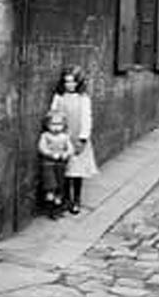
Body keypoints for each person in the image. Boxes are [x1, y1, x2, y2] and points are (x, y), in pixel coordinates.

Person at [49, 65, 98, 213]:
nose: (70, 85)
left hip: (76, 137)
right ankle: (66, 199)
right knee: (64, 171)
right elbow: (53, 113)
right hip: (62, 137)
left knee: (77, 171)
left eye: (73, 82)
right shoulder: (59, 97)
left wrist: (83, 138)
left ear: (79, 82)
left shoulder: (83, 98)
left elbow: (86, 118)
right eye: (67, 82)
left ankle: (76, 200)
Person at [37, 110, 74, 218]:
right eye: (53, 124)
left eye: (59, 124)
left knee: (60, 185)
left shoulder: (65, 136)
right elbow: (42, 148)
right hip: (49, 165)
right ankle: (50, 208)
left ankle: (58, 207)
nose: (56, 127)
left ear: (64, 125)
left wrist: (66, 153)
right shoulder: (46, 136)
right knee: (51, 186)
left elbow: (70, 148)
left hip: (60, 165)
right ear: (47, 124)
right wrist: (50, 154)